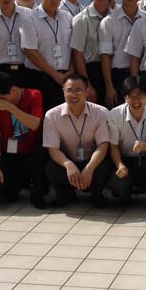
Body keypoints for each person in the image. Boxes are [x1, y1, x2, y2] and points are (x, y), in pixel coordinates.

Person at [43, 74, 111, 207]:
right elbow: (53, 149)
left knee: (104, 165)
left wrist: (89, 169)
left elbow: (103, 145)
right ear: (63, 92)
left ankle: (97, 195)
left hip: (92, 160)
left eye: (78, 90)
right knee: (51, 167)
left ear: (87, 92)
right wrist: (68, 165)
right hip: (68, 160)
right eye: (69, 90)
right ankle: (65, 195)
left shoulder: (101, 112)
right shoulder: (52, 115)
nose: (73, 94)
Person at [107, 76, 146, 212]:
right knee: (119, 183)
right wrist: (119, 165)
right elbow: (113, 146)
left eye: (140, 95)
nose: (136, 100)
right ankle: (124, 194)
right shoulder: (114, 114)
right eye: (131, 96)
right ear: (125, 98)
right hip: (126, 159)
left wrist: (144, 146)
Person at [0, 72, 46, 208]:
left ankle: (38, 193)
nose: (0, 102)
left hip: (33, 151)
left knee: (40, 156)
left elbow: (34, 124)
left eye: (3, 99)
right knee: (4, 193)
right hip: (11, 154)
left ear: (13, 90)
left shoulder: (34, 95)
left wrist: (10, 108)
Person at [21, 0, 74, 110]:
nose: (54, 1)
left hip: (66, 76)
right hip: (40, 77)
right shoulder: (30, 19)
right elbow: (30, 52)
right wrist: (55, 75)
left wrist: (71, 70)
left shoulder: (67, 17)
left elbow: (73, 47)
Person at [100, 0, 146, 108]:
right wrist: (109, 87)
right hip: (119, 75)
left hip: (144, 74)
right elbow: (105, 56)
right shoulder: (109, 21)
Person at [70, 0, 114, 104]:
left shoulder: (116, 18)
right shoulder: (81, 20)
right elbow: (77, 54)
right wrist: (87, 85)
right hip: (91, 72)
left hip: (113, 71)